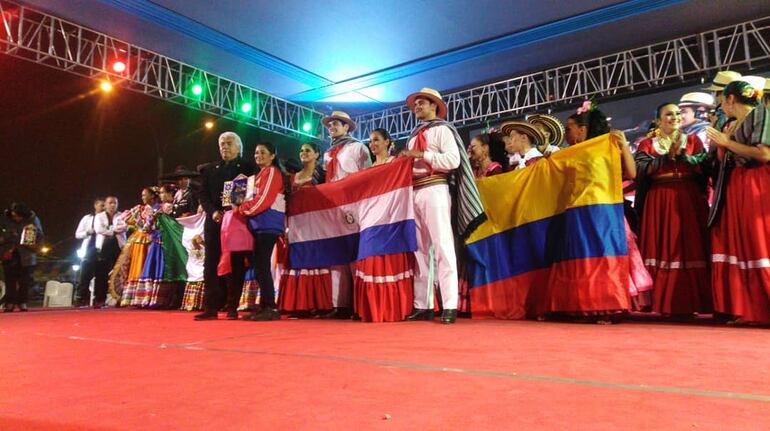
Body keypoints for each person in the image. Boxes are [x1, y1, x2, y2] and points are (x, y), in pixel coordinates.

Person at [401, 87, 485, 324]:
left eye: (421, 103)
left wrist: (422, 154)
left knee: (442, 246)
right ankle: (423, 304)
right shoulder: (413, 134)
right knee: (418, 249)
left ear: (434, 106)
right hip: (414, 191)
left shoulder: (444, 130)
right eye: (415, 104)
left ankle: (449, 305)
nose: (417, 107)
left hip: (435, 188)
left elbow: (453, 160)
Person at [635, 102, 711, 318]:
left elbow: (705, 166)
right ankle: (664, 301)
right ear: (658, 121)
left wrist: (685, 157)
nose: (675, 117)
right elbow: (640, 171)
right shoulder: (647, 144)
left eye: (677, 114)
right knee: (664, 246)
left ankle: (693, 300)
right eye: (669, 114)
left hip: (688, 198)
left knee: (689, 245)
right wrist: (665, 157)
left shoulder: (694, 141)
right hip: (660, 199)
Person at [706, 78, 770, 325]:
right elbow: (724, 157)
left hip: (757, 183)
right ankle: (750, 309)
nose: (721, 106)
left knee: (758, 242)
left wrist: (727, 142)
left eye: (722, 100)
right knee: (741, 245)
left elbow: (764, 154)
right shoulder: (731, 123)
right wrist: (722, 145)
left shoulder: (761, 114)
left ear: (731, 99)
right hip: (735, 186)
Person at [351, 129, 415, 322]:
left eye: (377, 140)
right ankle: (371, 309)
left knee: (389, 256)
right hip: (370, 219)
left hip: (391, 218)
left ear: (388, 142)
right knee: (368, 253)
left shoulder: (396, 164)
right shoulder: (366, 172)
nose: (373, 144)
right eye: (370, 141)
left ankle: (392, 308)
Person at [194, 131, 257, 320]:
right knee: (210, 263)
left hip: (237, 220)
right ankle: (211, 307)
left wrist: (236, 209)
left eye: (229, 143)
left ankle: (232, 307)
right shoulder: (210, 169)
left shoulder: (248, 167)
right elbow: (203, 195)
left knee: (236, 263)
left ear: (239, 146)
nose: (225, 147)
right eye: (222, 143)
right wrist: (213, 212)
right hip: (214, 220)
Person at [321, 111, 371, 318]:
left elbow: (367, 176)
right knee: (336, 253)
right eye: (330, 125)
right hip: (333, 204)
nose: (331, 127)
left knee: (354, 252)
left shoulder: (358, 147)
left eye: (336, 124)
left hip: (353, 202)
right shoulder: (327, 154)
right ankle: (338, 304)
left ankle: (358, 303)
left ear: (346, 127)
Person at [278, 143, 332, 316]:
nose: (303, 153)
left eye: (308, 150)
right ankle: (298, 304)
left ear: (317, 154)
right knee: (297, 258)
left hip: (317, 224)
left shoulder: (323, 175)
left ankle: (316, 303)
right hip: (296, 225)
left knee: (315, 259)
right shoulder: (291, 178)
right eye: (301, 150)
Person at [237, 142, 287, 321]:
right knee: (259, 266)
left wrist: (242, 209)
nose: (258, 155)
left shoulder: (272, 172)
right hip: (260, 225)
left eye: (263, 152)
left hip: (268, 224)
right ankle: (266, 305)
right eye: (256, 152)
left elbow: (264, 199)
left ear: (272, 156)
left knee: (262, 265)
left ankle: (271, 307)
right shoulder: (258, 175)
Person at [0, 203, 43, 312]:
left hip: (27, 252)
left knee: (24, 280)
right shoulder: (6, 219)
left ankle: (22, 302)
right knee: (10, 279)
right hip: (9, 251)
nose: (15, 218)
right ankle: (9, 302)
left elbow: (40, 235)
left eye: (17, 216)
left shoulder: (33, 220)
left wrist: (31, 239)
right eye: (13, 216)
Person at [93, 196, 127, 308]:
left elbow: (125, 227)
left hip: (119, 246)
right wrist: (114, 230)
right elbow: (99, 229)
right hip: (104, 246)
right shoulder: (99, 216)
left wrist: (109, 229)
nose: (113, 205)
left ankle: (120, 299)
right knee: (101, 274)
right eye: (110, 203)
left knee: (120, 274)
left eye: (115, 203)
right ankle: (99, 299)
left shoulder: (122, 215)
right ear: (105, 205)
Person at [74, 197, 105, 306]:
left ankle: (99, 300)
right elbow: (77, 234)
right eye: (101, 205)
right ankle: (82, 299)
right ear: (95, 205)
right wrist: (88, 232)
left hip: (102, 249)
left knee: (101, 276)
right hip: (88, 249)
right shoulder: (87, 218)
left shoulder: (107, 218)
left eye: (104, 205)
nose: (103, 208)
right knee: (85, 276)